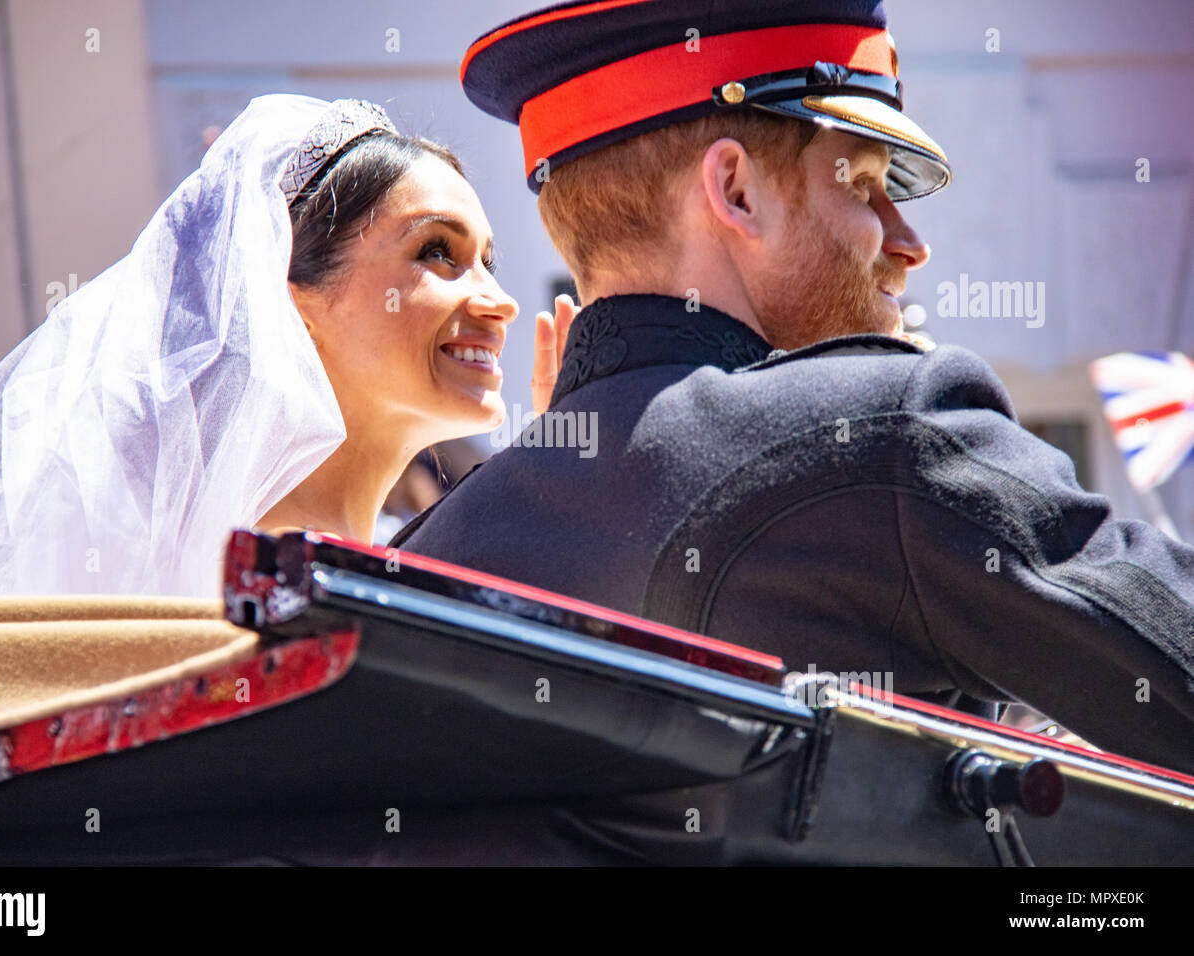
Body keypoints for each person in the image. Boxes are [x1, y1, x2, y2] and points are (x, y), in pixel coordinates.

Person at [391, 0, 1194, 775]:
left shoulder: (427, 558)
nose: (908, 241)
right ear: (736, 191)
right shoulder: (887, 434)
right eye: (862, 184)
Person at [0, 94, 527, 598]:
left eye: (488, 262)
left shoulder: (386, 567)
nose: (499, 301)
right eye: (436, 252)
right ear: (292, 296)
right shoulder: (261, 599)